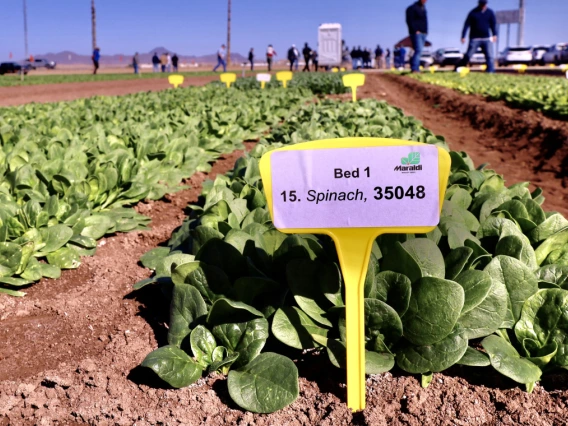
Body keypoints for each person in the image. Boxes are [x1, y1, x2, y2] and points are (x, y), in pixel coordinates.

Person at [457, 0, 498, 73]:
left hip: (486, 38)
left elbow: (493, 24)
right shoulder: (473, 12)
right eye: (481, 4)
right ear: (478, 4)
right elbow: (466, 25)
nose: (483, 5)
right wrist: (463, 36)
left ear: (486, 4)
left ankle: (490, 72)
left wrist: (494, 34)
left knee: (490, 56)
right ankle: (459, 68)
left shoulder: (490, 12)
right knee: (468, 55)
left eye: (484, 4)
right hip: (475, 38)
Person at [406, 0, 428, 73]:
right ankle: (415, 69)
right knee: (418, 50)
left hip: (423, 33)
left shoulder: (423, 8)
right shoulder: (412, 8)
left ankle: (416, 68)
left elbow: (425, 21)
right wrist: (415, 30)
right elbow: (409, 20)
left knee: (419, 51)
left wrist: (426, 31)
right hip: (416, 33)